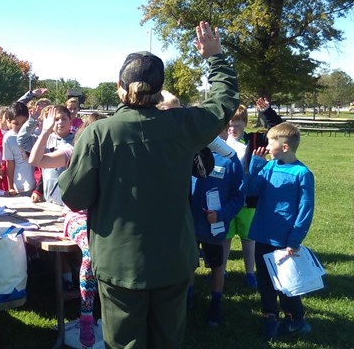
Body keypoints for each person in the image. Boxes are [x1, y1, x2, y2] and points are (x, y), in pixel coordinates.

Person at [58, 21, 239, 349]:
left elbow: (73, 196)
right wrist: (216, 58)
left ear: (118, 86)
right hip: (172, 260)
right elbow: (223, 104)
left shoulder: (98, 134)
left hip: (119, 264)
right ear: (159, 91)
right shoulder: (182, 126)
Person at [29, 109, 106, 347]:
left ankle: (107, 316)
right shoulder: (73, 152)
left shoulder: (114, 155)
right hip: (76, 216)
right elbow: (36, 161)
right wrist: (45, 131)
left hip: (104, 217)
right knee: (91, 253)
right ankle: (85, 314)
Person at [247, 122, 314, 342]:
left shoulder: (302, 174)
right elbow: (251, 191)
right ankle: (270, 321)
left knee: (287, 284)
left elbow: (305, 210)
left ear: (285, 146)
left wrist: (294, 241)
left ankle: (295, 320)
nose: (266, 145)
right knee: (265, 283)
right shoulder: (269, 167)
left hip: (285, 241)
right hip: (262, 236)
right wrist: (255, 165)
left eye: (270, 141)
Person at [223, 99, 283, 288]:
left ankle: (250, 272)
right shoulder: (219, 142)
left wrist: (267, 112)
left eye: (237, 125)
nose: (232, 129)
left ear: (245, 124)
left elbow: (279, 131)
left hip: (248, 199)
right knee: (225, 238)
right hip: (225, 199)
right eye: (229, 125)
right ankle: (222, 270)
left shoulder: (255, 140)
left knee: (249, 239)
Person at [188, 127, 244, 327]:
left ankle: (216, 303)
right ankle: (188, 300)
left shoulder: (230, 159)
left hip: (214, 226)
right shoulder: (191, 153)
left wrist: (221, 214)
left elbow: (239, 196)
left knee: (217, 265)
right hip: (190, 225)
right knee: (188, 265)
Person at [18, 105, 74, 206]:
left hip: (68, 201)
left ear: (71, 121)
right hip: (50, 199)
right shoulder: (45, 139)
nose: (60, 122)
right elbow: (22, 141)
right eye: (56, 119)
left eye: (64, 119)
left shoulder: (76, 141)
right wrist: (32, 120)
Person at [3, 102, 35, 195]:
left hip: (37, 183)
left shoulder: (34, 133)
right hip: (20, 185)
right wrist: (11, 187)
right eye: (16, 123)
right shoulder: (8, 138)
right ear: (8, 121)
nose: (21, 127)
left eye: (24, 123)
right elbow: (9, 163)